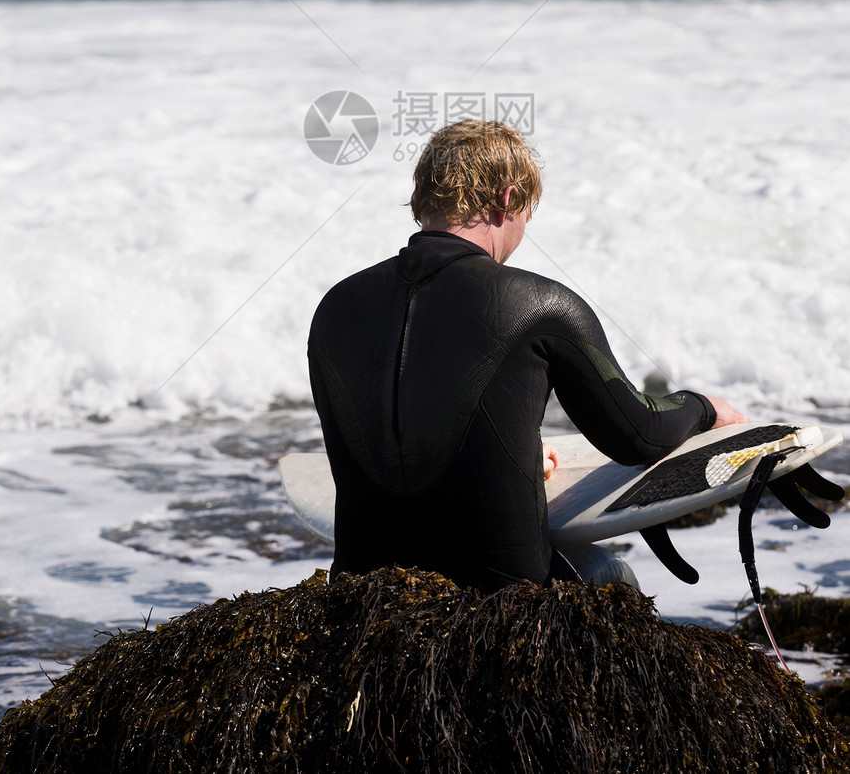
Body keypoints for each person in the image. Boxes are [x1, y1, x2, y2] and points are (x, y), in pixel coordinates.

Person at [307, 120, 747, 593]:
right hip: (502, 604)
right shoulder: (539, 304)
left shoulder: (335, 308)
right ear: (507, 198)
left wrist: (509, 453)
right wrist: (702, 408)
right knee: (608, 572)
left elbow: (398, 441)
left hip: (360, 596)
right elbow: (638, 435)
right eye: (527, 212)